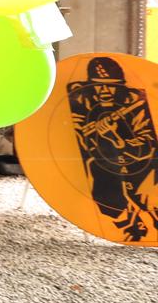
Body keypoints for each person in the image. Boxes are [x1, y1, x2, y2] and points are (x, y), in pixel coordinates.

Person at [67, 56, 156, 241]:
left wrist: (119, 141)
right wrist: (93, 134)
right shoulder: (80, 99)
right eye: (99, 85)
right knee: (104, 191)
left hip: (139, 162)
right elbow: (78, 145)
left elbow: (148, 143)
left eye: (112, 85)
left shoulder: (134, 100)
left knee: (149, 191)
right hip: (102, 163)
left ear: (121, 85)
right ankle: (126, 221)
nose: (105, 91)